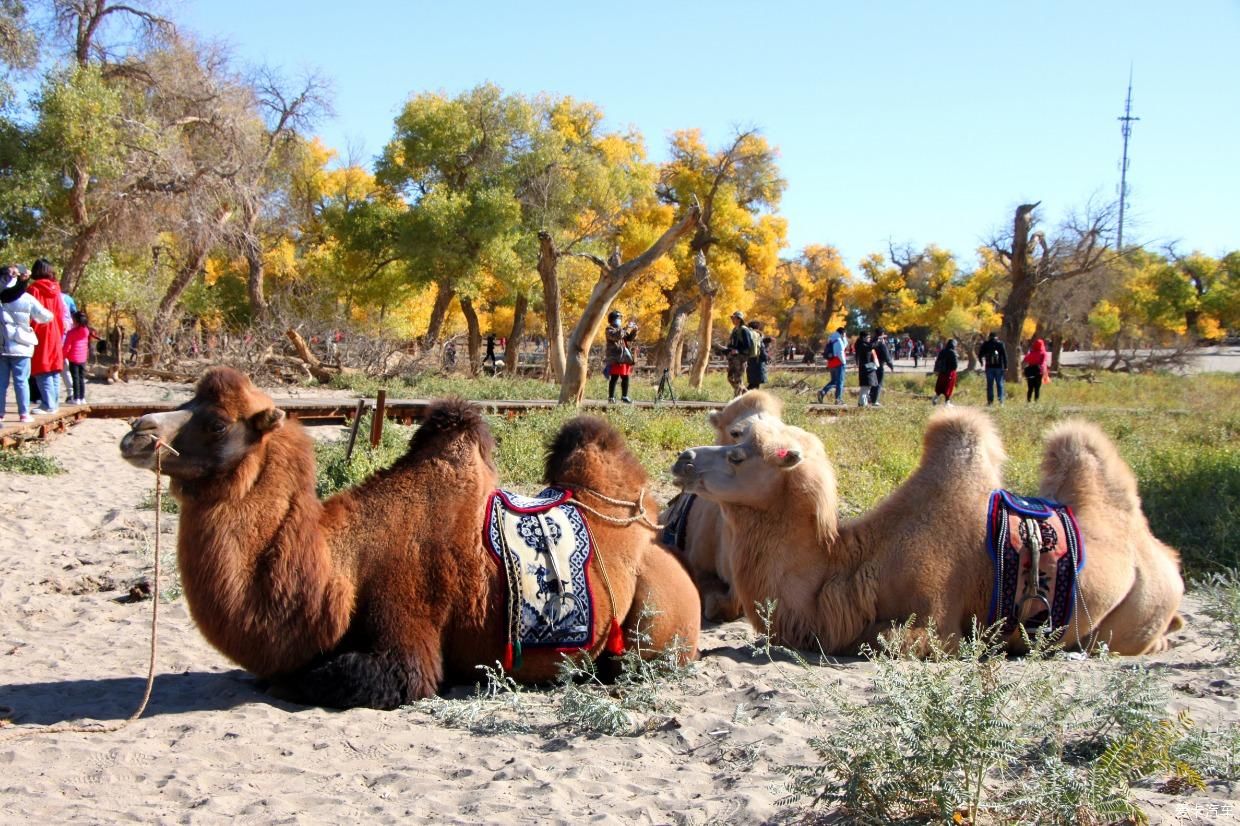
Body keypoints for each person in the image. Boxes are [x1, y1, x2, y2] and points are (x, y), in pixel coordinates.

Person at [1, 263, 54, 422]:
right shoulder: (27, 298)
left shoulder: (2, 295)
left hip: (2, 346)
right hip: (22, 346)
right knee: (21, 381)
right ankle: (24, 413)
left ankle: (0, 414)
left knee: (1, 383)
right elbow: (45, 316)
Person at [27, 259, 66, 413]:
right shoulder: (56, 290)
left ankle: (48, 404)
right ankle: (53, 403)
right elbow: (61, 313)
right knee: (54, 369)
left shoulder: (33, 290)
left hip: (40, 332)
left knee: (41, 368)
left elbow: (30, 314)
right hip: (55, 331)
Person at [64, 310, 100, 405]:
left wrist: (64, 355)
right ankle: (82, 397)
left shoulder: (71, 333)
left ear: (75, 321)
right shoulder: (86, 331)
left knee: (75, 378)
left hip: (73, 358)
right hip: (83, 358)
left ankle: (76, 398)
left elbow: (66, 347)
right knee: (81, 378)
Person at [604, 310, 637, 403]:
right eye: (618, 319)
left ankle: (624, 396)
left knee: (625, 377)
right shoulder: (609, 329)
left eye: (620, 319)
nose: (620, 320)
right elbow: (617, 336)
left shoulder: (621, 329)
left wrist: (634, 330)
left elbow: (629, 338)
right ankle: (611, 397)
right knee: (614, 377)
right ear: (612, 319)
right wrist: (626, 328)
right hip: (615, 358)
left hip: (624, 357)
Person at [816, 326, 847, 405]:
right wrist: (844, 362)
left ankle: (823, 392)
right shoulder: (839, 340)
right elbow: (840, 352)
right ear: (842, 333)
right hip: (839, 363)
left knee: (834, 381)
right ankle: (838, 399)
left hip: (831, 363)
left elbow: (844, 345)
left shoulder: (831, 340)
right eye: (845, 334)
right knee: (840, 382)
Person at [724, 311, 752, 397]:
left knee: (737, 379)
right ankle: (748, 396)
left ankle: (738, 399)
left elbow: (748, 345)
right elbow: (732, 344)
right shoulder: (735, 329)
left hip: (741, 358)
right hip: (734, 358)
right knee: (731, 378)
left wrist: (738, 351)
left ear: (739, 319)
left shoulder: (744, 330)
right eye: (732, 318)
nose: (732, 319)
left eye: (734, 318)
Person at [978, 331, 1008, 406]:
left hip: (989, 367)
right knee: (999, 384)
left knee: (990, 385)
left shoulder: (986, 344)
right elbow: (1004, 355)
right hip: (999, 367)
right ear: (996, 337)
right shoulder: (1000, 344)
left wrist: (981, 362)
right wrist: (1006, 366)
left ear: (989, 336)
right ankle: (1001, 401)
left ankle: (990, 402)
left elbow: (980, 354)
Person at [869, 327, 895, 406]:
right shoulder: (881, 342)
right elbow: (886, 355)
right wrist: (891, 365)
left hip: (871, 363)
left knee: (873, 382)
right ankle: (875, 400)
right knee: (878, 383)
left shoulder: (872, 341)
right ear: (882, 334)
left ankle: (870, 397)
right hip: (879, 365)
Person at [854, 329, 879, 407]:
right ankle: (862, 403)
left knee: (867, 386)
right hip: (865, 369)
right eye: (868, 337)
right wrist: (877, 339)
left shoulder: (862, 344)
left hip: (866, 368)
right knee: (865, 386)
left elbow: (871, 346)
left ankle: (862, 402)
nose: (869, 338)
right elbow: (871, 346)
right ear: (863, 337)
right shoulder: (862, 345)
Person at [931, 338, 958, 406]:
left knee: (940, 386)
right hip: (950, 373)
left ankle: (936, 398)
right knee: (948, 387)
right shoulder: (953, 352)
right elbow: (955, 365)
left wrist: (937, 370)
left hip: (942, 372)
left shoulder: (942, 351)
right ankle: (947, 402)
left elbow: (937, 361)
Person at [1022, 338, 1051, 402]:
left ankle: (1028, 401)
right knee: (1037, 388)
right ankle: (1036, 402)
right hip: (1038, 372)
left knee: (1030, 388)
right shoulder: (1043, 353)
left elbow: (1025, 359)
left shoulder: (1031, 353)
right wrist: (1045, 373)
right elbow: (1043, 363)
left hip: (1030, 372)